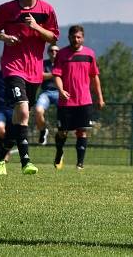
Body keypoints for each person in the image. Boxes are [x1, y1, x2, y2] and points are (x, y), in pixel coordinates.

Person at [0, 0, 59, 175]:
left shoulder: (47, 10)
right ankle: (26, 161)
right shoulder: (7, 9)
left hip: (35, 71)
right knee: (24, 109)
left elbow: (53, 38)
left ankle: (1, 156)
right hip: (12, 68)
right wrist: (5, 37)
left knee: (19, 119)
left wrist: (36, 27)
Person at [52, 26, 104, 170]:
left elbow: (94, 77)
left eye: (79, 37)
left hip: (84, 100)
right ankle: (59, 152)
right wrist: (61, 90)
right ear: (68, 37)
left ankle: (79, 164)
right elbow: (57, 75)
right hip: (66, 101)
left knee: (82, 131)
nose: (76, 39)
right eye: (73, 37)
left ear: (83, 38)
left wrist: (100, 98)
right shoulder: (61, 54)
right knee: (62, 131)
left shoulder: (90, 54)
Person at [35, 44, 60, 145]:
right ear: (48, 52)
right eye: (51, 50)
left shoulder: (63, 63)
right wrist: (55, 74)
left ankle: (61, 134)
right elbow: (40, 75)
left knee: (65, 114)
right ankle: (43, 130)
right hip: (46, 92)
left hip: (60, 92)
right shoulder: (43, 63)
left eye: (56, 51)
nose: (54, 52)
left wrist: (48, 75)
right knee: (38, 111)